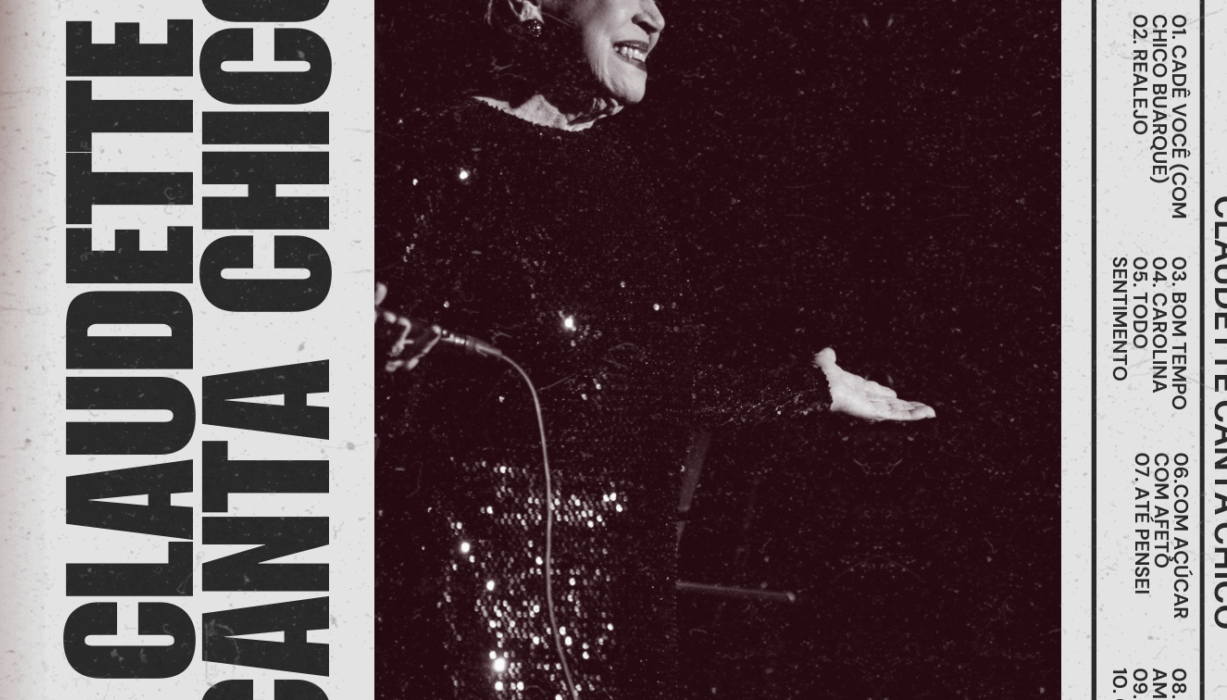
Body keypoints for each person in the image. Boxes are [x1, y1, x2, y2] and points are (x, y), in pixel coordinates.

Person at [374, 1, 934, 698]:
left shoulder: (621, 170)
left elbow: (651, 375)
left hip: (626, 593)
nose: (654, 17)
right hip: (484, 595)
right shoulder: (451, 147)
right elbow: (399, 357)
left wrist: (814, 388)